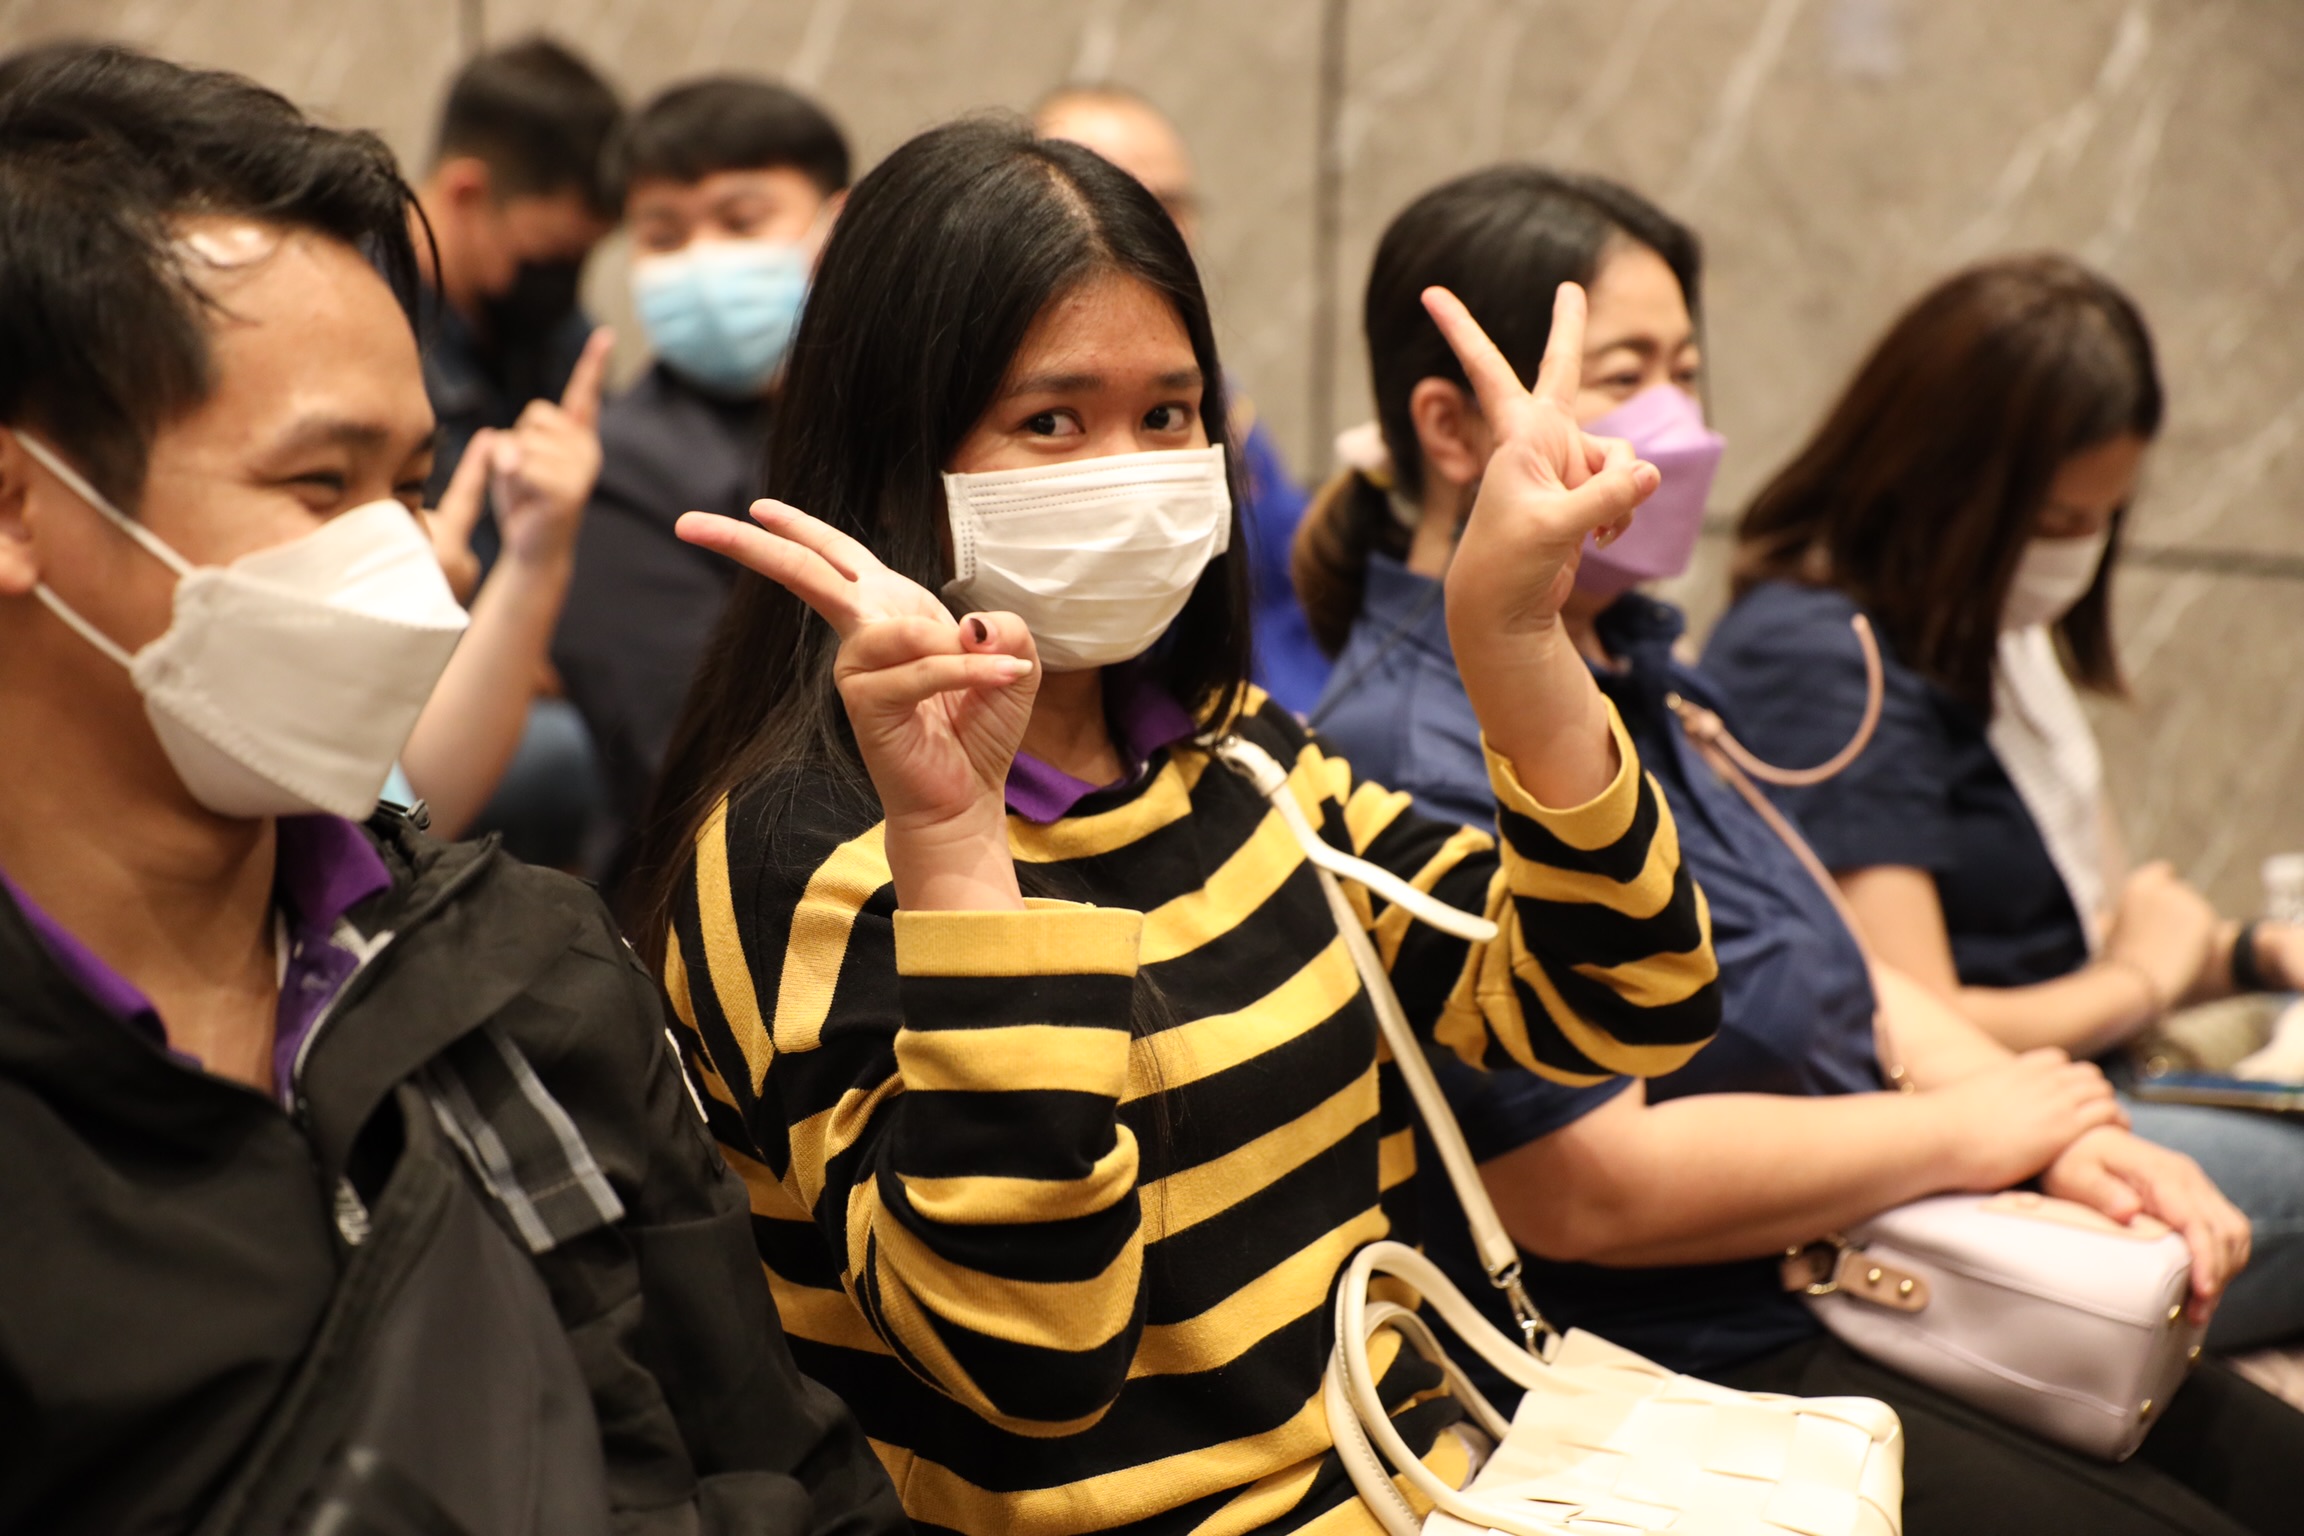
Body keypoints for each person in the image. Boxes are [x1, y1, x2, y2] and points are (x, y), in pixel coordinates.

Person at [632, 119, 1721, 1534]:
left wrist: (1514, 639)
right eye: (1053, 420)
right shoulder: (800, 852)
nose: (1133, 469)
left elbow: (1623, 1004)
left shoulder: (1232, 756)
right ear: (901, 449)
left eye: (1168, 414)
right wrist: (957, 843)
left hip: (1426, 1486)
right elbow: (1028, 1358)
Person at [1296, 165, 2304, 1536]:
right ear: (1450, 425)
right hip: (1685, 1356)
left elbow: (1858, 975)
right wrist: (1966, 1133)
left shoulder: (1643, 665)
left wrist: (2067, 1136)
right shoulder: (1409, 741)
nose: (1680, 422)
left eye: (1687, 369)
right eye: (1626, 375)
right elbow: (1585, 1189)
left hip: (1866, 1257)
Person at [0, 47, 904, 1536]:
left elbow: (793, 1469)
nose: (409, 569)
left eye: (411, 486)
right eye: (320, 485)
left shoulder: (533, 974)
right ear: (20, 505)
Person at [1704, 255, 2304, 1351]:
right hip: (1972, 1148)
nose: (2077, 554)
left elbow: (2069, 945)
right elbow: (1909, 1015)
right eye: (2059, 519)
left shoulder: (1976, 632)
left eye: (2102, 521)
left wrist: (2248, 953)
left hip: (2073, 1092)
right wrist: (2140, 978)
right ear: (1942, 480)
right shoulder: (1822, 662)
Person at [553, 76, 850, 897]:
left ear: (839, 224)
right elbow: (686, 756)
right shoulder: (619, 467)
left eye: (741, 221)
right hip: (726, 889)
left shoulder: (907, 413)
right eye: (663, 235)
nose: (704, 260)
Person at [1036, 84, 1332, 714]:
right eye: (1102, 195)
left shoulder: (1222, 401)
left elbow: (1289, 572)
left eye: (1167, 205)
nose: (1137, 230)